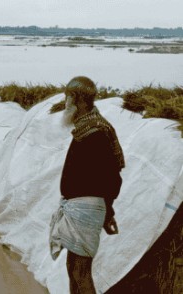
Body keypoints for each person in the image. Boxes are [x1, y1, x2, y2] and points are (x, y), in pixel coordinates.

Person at [49, 76, 124, 294]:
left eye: (68, 98)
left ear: (79, 100)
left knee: (80, 270)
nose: (66, 103)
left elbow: (111, 178)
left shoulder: (96, 131)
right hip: (79, 208)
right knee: (72, 267)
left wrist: (107, 211)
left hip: (85, 210)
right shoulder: (86, 128)